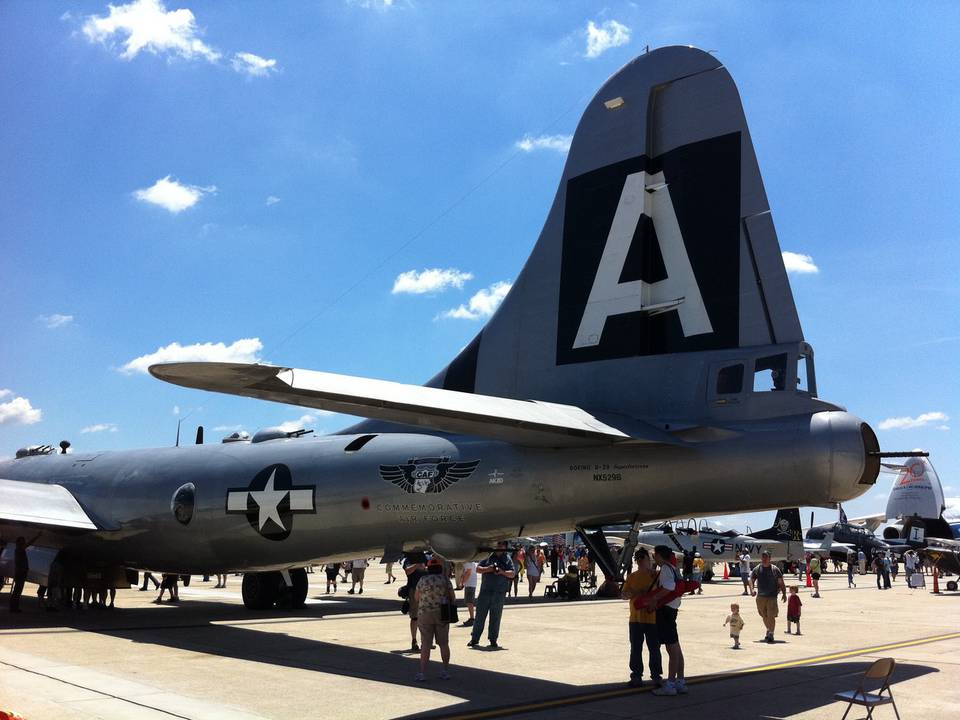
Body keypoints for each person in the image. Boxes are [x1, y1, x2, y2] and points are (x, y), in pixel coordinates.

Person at [646, 546, 686, 696]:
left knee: (671, 648)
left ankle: (670, 684)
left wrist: (654, 598)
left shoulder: (665, 569)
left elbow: (668, 587)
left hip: (666, 610)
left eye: (654, 554)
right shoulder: (672, 568)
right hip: (673, 609)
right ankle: (680, 681)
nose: (653, 557)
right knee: (676, 646)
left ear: (658, 555)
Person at [621, 548, 662, 687]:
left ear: (648, 559)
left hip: (652, 617)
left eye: (641, 557)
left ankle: (655, 676)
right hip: (636, 618)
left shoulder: (657, 575)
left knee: (654, 648)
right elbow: (623, 595)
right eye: (637, 558)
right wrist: (634, 592)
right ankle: (637, 675)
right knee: (636, 648)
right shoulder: (632, 576)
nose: (639, 560)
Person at [414, 556, 456, 682]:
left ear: (428, 568)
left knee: (425, 644)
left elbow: (417, 598)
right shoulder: (445, 580)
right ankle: (445, 670)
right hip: (442, 613)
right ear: (440, 567)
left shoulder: (422, 580)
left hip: (424, 613)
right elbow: (452, 597)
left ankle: (422, 672)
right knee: (444, 643)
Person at [468, 542, 515, 649]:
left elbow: (512, 574)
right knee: (480, 616)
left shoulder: (507, 558)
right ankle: (474, 638)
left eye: (502, 545)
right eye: (498, 545)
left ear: (505, 547)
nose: (499, 547)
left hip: (499, 593)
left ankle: (493, 639)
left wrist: (502, 572)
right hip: (485, 591)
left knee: (495, 617)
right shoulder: (488, 556)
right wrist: (489, 569)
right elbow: (478, 569)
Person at [748, 550, 786, 643]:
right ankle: (769, 630)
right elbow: (751, 580)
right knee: (764, 615)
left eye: (766, 557)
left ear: (770, 559)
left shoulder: (775, 569)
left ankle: (771, 634)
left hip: (772, 596)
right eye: (763, 557)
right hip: (760, 596)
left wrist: (784, 593)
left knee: (771, 616)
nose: (764, 559)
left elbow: (781, 582)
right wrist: (752, 590)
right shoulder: (757, 568)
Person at [8, 534, 42, 612]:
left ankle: (14, 607)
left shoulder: (19, 549)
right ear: (20, 542)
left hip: (20, 573)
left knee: (17, 591)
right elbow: (29, 544)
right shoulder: (19, 549)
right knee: (17, 591)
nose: (24, 542)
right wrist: (37, 536)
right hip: (20, 573)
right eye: (23, 541)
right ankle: (14, 608)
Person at [403, 551, 428, 653]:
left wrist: (425, 568)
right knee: (415, 617)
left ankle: (426, 641)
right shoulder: (409, 559)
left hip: (426, 590)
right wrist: (417, 566)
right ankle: (414, 640)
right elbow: (407, 571)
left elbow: (431, 568)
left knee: (426, 617)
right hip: (414, 590)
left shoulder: (426, 557)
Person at [459, 559, 477, 627]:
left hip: (470, 584)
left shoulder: (468, 562)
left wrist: (462, 582)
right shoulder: (469, 561)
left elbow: (468, 572)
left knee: (469, 602)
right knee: (469, 602)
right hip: (470, 584)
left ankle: (472, 618)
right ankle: (472, 618)